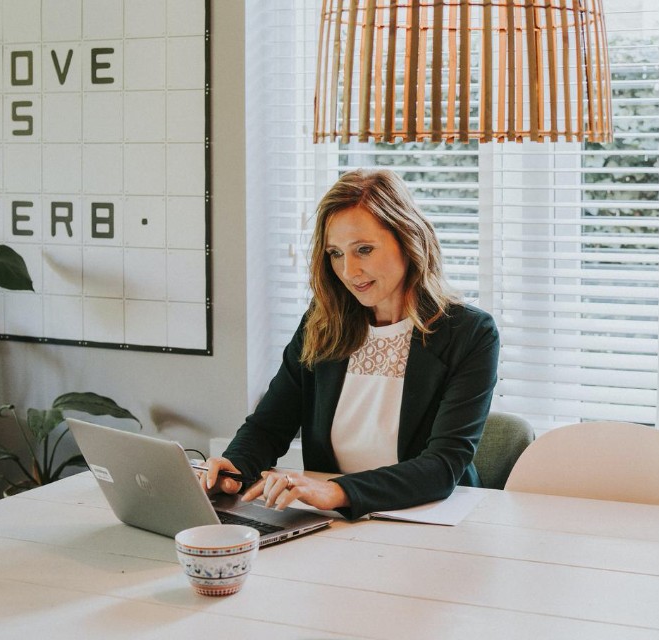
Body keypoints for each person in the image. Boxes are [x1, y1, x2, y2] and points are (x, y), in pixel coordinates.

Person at [200, 169, 499, 520]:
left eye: (364, 250)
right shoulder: (323, 323)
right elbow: (269, 425)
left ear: (408, 239)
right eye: (336, 253)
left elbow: (442, 466)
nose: (349, 270)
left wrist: (337, 491)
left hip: (433, 521)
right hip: (338, 524)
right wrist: (234, 470)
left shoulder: (469, 332)